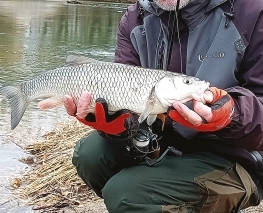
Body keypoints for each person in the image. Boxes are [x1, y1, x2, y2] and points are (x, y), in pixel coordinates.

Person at [40, 0, 263, 212]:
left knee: (126, 195)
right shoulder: (135, 18)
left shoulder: (253, 12)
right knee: (90, 156)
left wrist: (232, 114)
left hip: (239, 156)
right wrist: (118, 125)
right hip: (163, 142)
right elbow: (125, 100)